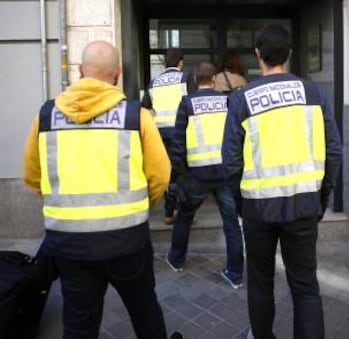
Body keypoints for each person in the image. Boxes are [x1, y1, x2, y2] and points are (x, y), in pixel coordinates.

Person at [23, 41, 171, 339]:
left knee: (79, 324)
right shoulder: (136, 116)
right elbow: (160, 176)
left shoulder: (46, 116)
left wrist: (66, 211)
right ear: (117, 74)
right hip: (128, 240)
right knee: (144, 312)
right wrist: (140, 208)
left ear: (80, 71)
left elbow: (32, 176)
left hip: (69, 244)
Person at [222, 24, 342, 339]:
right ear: (289, 54)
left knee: (260, 281)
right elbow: (334, 152)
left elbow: (231, 161)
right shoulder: (314, 93)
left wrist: (240, 204)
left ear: (258, 55)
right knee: (305, 286)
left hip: (258, 209)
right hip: (304, 203)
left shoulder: (242, 98)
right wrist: (322, 199)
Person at [166, 61, 244, 289]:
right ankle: (235, 273)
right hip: (224, 172)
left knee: (184, 217)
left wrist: (178, 179)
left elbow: (178, 146)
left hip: (197, 175)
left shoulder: (187, 103)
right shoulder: (228, 101)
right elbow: (237, 137)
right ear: (214, 80)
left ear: (194, 81)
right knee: (231, 222)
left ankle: (176, 260)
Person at [141, 48, 196, 224]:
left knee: (169, 173)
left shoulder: (153, 83)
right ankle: (182, 212)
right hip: (181, 132)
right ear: (180, 62)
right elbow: (194, 103)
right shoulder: (185, 78)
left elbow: (145, 108)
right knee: (184, 174)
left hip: (161, 134)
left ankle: (168, 213)